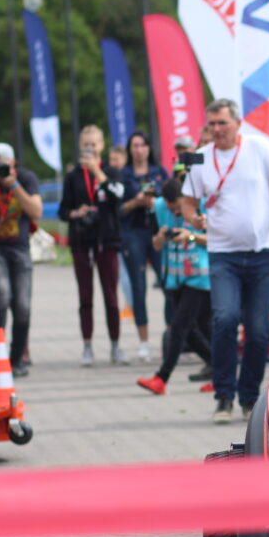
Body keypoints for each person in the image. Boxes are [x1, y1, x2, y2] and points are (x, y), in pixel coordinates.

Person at [180, 98, 269, 424]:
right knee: (224, 319)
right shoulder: (201, 158)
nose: (216, 129)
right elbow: (187, 201)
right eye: (211, 124)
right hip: (222, 254)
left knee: (257, 330)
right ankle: (223, 396)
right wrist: (193, 218)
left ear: (237, 123)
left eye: (222, 123)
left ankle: (249, 398)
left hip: (263, 254)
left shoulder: (260, 148)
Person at [136, 177, 211, 395]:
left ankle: (161, 378)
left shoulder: (201, 205)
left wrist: (190, 236)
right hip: (174, 277)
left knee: (178, 328)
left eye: (179, 208)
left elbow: (215, 239)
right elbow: (156, 245)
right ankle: (221, 370)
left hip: (198, 277)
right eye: (172, 210)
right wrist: (161, 238)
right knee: (189, 331)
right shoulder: (160, 207)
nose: (176, 213)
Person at [59, 125, 126, 366]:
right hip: (81, 242)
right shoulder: (73, 176)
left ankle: (115, 345)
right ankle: (87, 346)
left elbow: (118, 196)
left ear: (101, 146)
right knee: (85, 297)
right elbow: (63, 211)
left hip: (106, 241)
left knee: (111, 296)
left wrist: (98, 172)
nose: (90, 149)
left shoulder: (111, 171)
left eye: (94, 144)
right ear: (80, 146)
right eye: (86, 144)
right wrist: (77, 213)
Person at [0, 144, 42, 376]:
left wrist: (14, 184)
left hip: (19, 249)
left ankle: (16, 359)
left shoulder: (25, 178)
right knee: (2, 295)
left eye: (4, 163)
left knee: (22, 306)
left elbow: (36, 212)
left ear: (14, 164)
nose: (0, 169)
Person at [119, 131, 170, 362]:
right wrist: (136, 201)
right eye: (135, 145)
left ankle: (171, 337)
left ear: (149, 148)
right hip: (134, 233)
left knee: (168, 283)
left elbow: (171, 199)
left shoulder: (159, 172)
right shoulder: (124, 175)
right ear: (130, 149)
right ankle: (143, 342)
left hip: (157, 230)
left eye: (142, 145)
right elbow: (119, 209)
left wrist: (155, 202)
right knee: (138, 287)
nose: (139, 150)